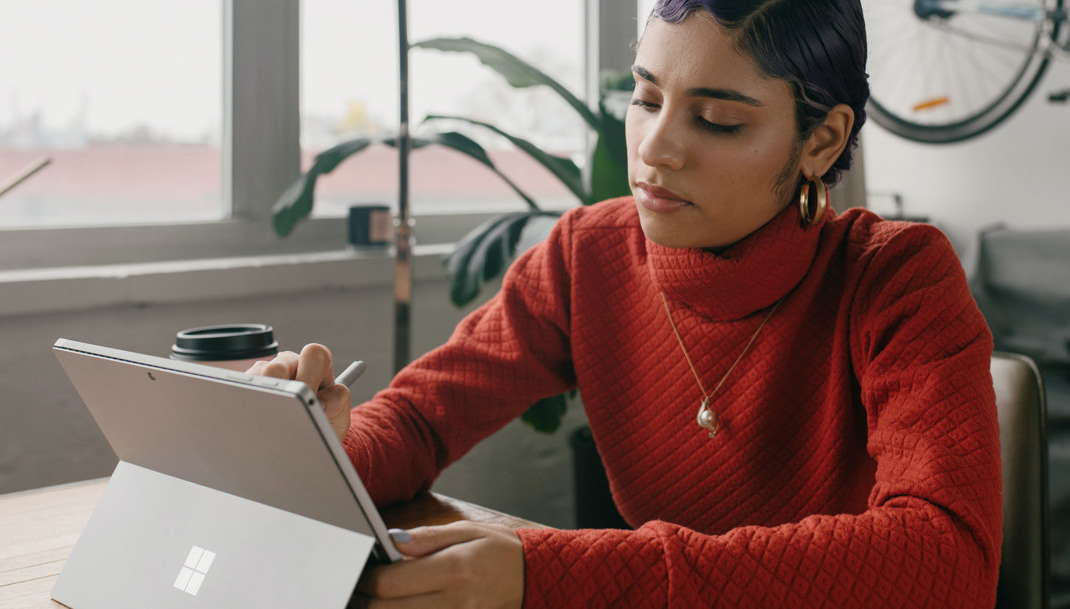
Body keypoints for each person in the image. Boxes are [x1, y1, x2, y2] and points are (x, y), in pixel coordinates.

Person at [252, 1, 1002, 607]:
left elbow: (945, 555)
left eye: (717, 120)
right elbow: (419, 416)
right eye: (644, 98)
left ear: (820, 139)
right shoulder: (588, 253)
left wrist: (552, 573)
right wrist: (314, 447)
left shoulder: (898, 277)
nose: (654, 148)